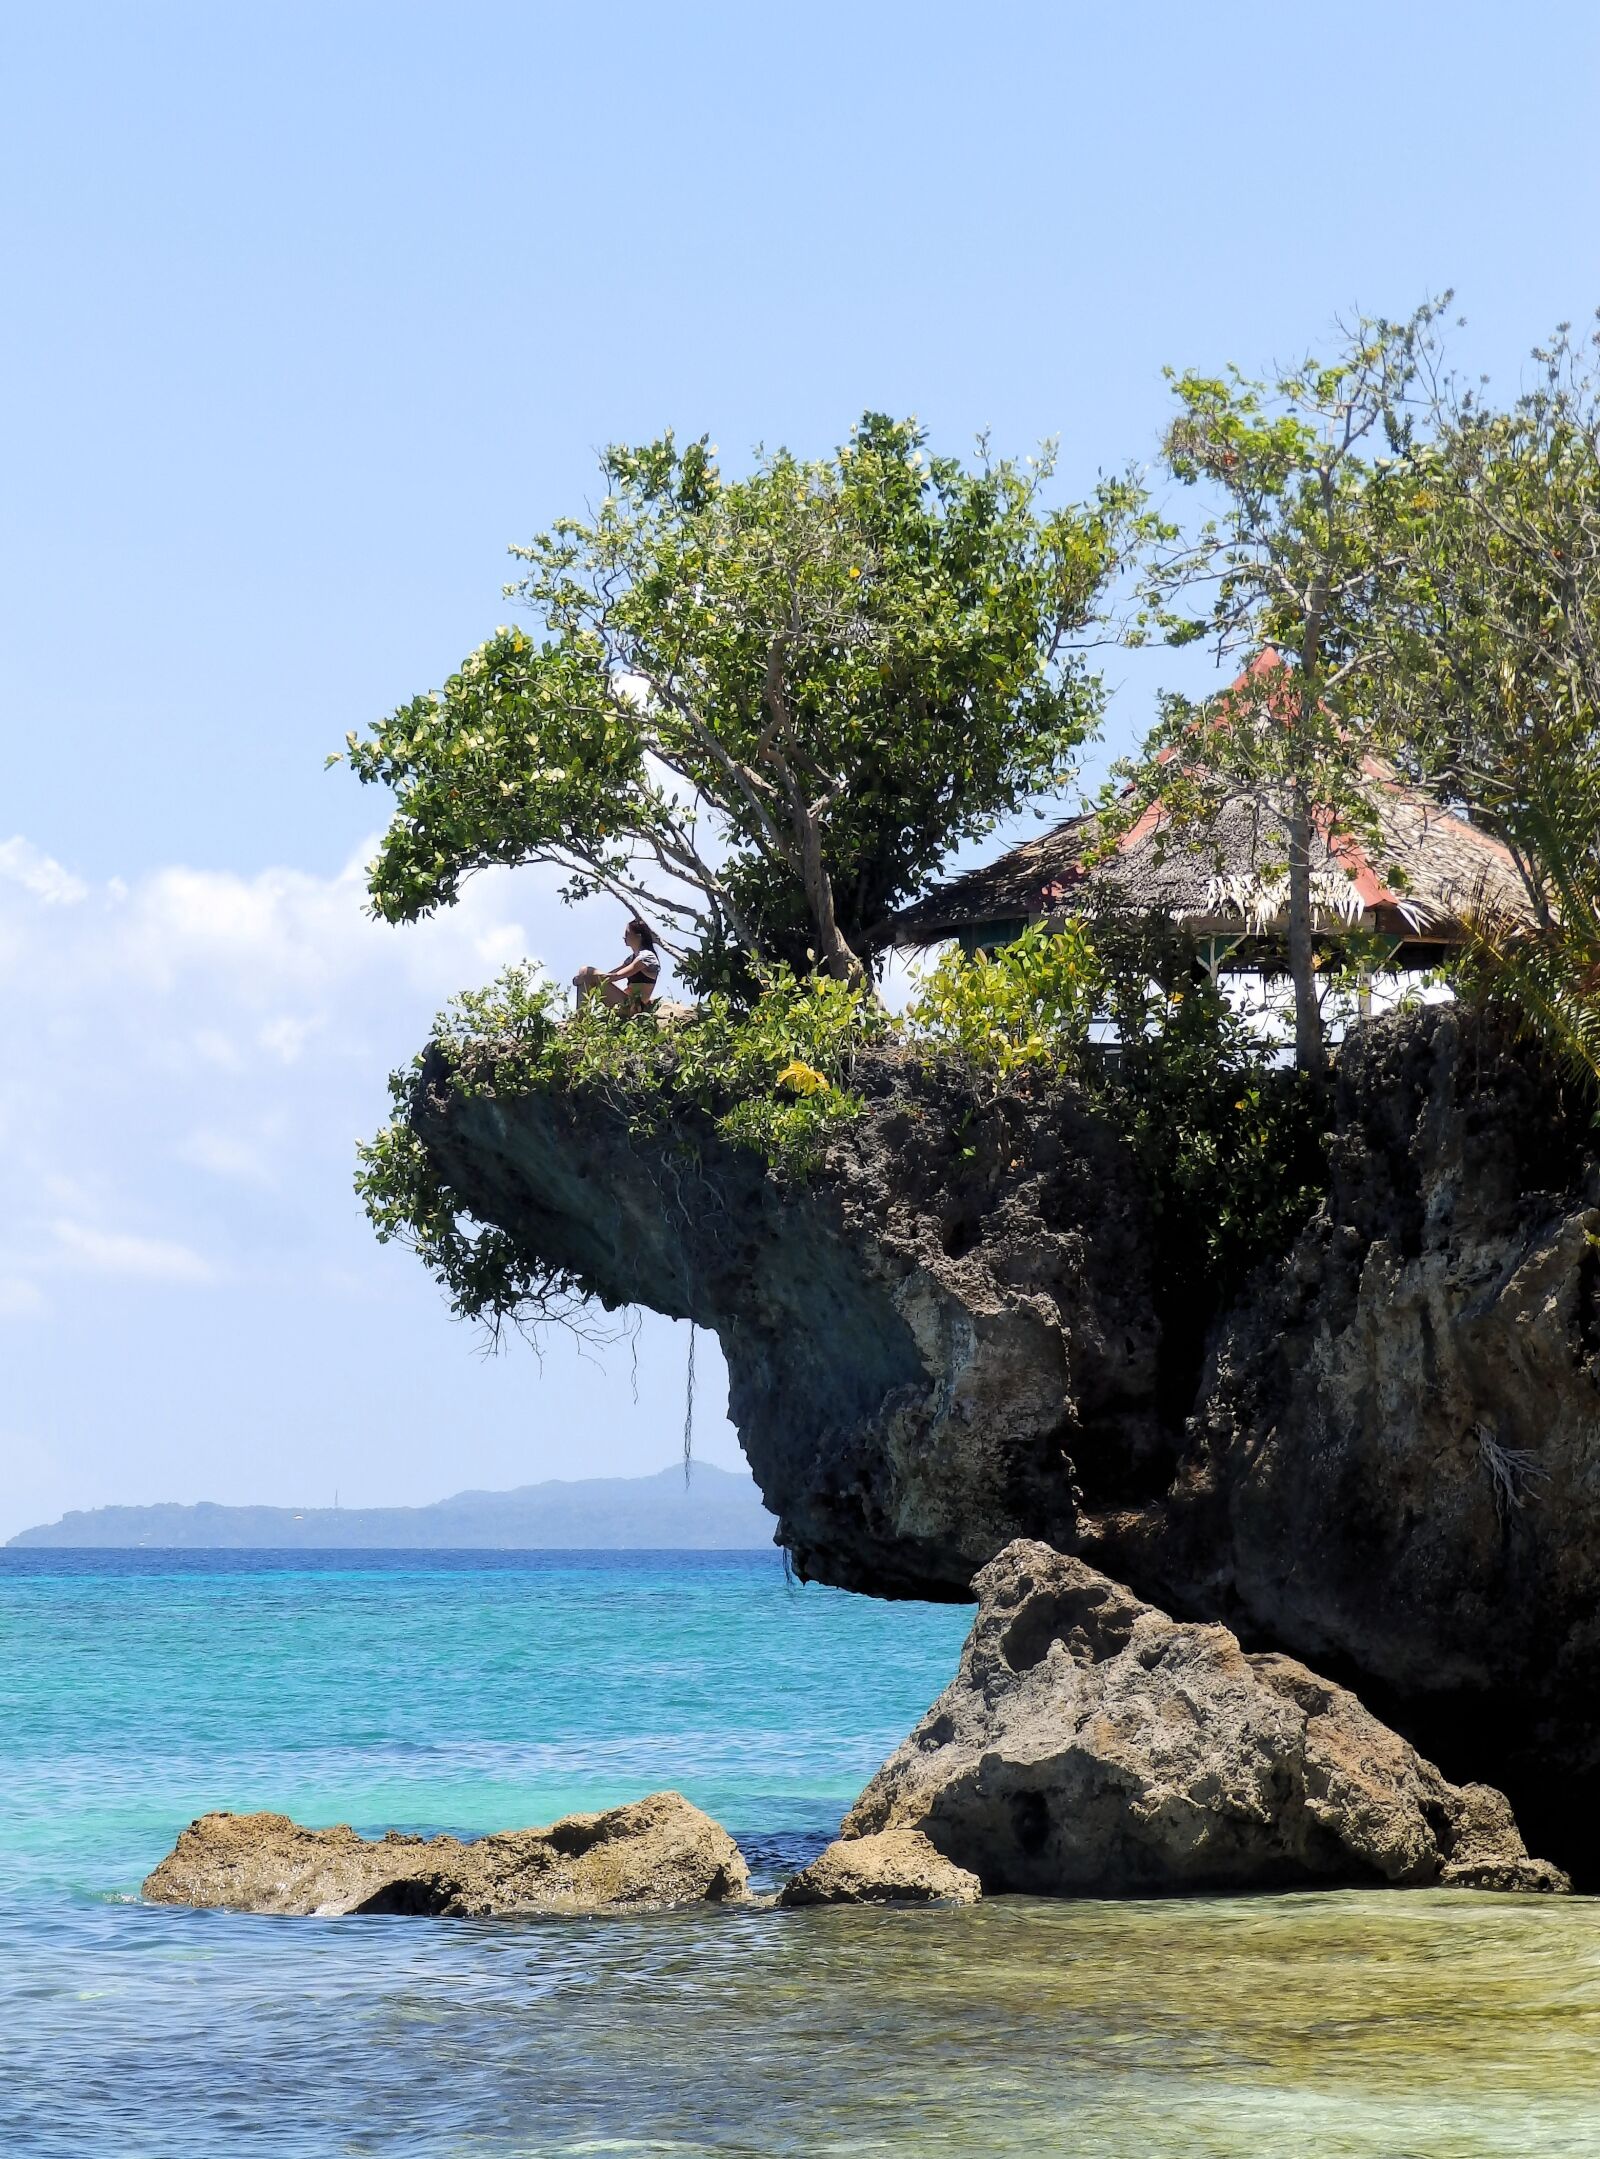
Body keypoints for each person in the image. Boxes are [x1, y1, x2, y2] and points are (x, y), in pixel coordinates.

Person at [573, 917, 662, 1012]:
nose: (624, 937)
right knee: (586, 973)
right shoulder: (631, 958)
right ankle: (580, 1016)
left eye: (627, 933)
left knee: (587, 972)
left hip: (633, 1007)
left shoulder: (647, 956)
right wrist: (586, 977)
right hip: (626, 1002)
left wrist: (587, 976)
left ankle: (580, 1020)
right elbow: (610, 974)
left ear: (638, 936)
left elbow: (617, 976)